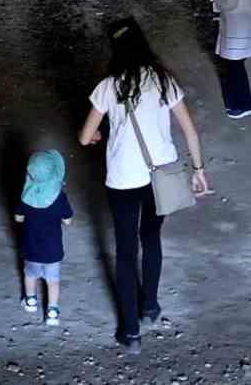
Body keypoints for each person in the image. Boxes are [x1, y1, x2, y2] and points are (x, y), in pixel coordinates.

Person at [78, 18, 209, 355]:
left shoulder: (108, 86)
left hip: (123, 180)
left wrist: (97, 136)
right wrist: (197, 169)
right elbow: (190, 131)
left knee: (125, 253)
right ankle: (151, 306)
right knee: (151, 239)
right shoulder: (164, 81)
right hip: (159, 177)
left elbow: (84, 136)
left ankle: (131, 332)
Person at [13, 149, 74, 326]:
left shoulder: (25, 197)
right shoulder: (59, 198)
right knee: (53, 281)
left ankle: (30, 301)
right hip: (53, 251)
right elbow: (68, 221)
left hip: (30, 249)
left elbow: (18, 218)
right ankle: (52, 312)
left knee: (30, 275)